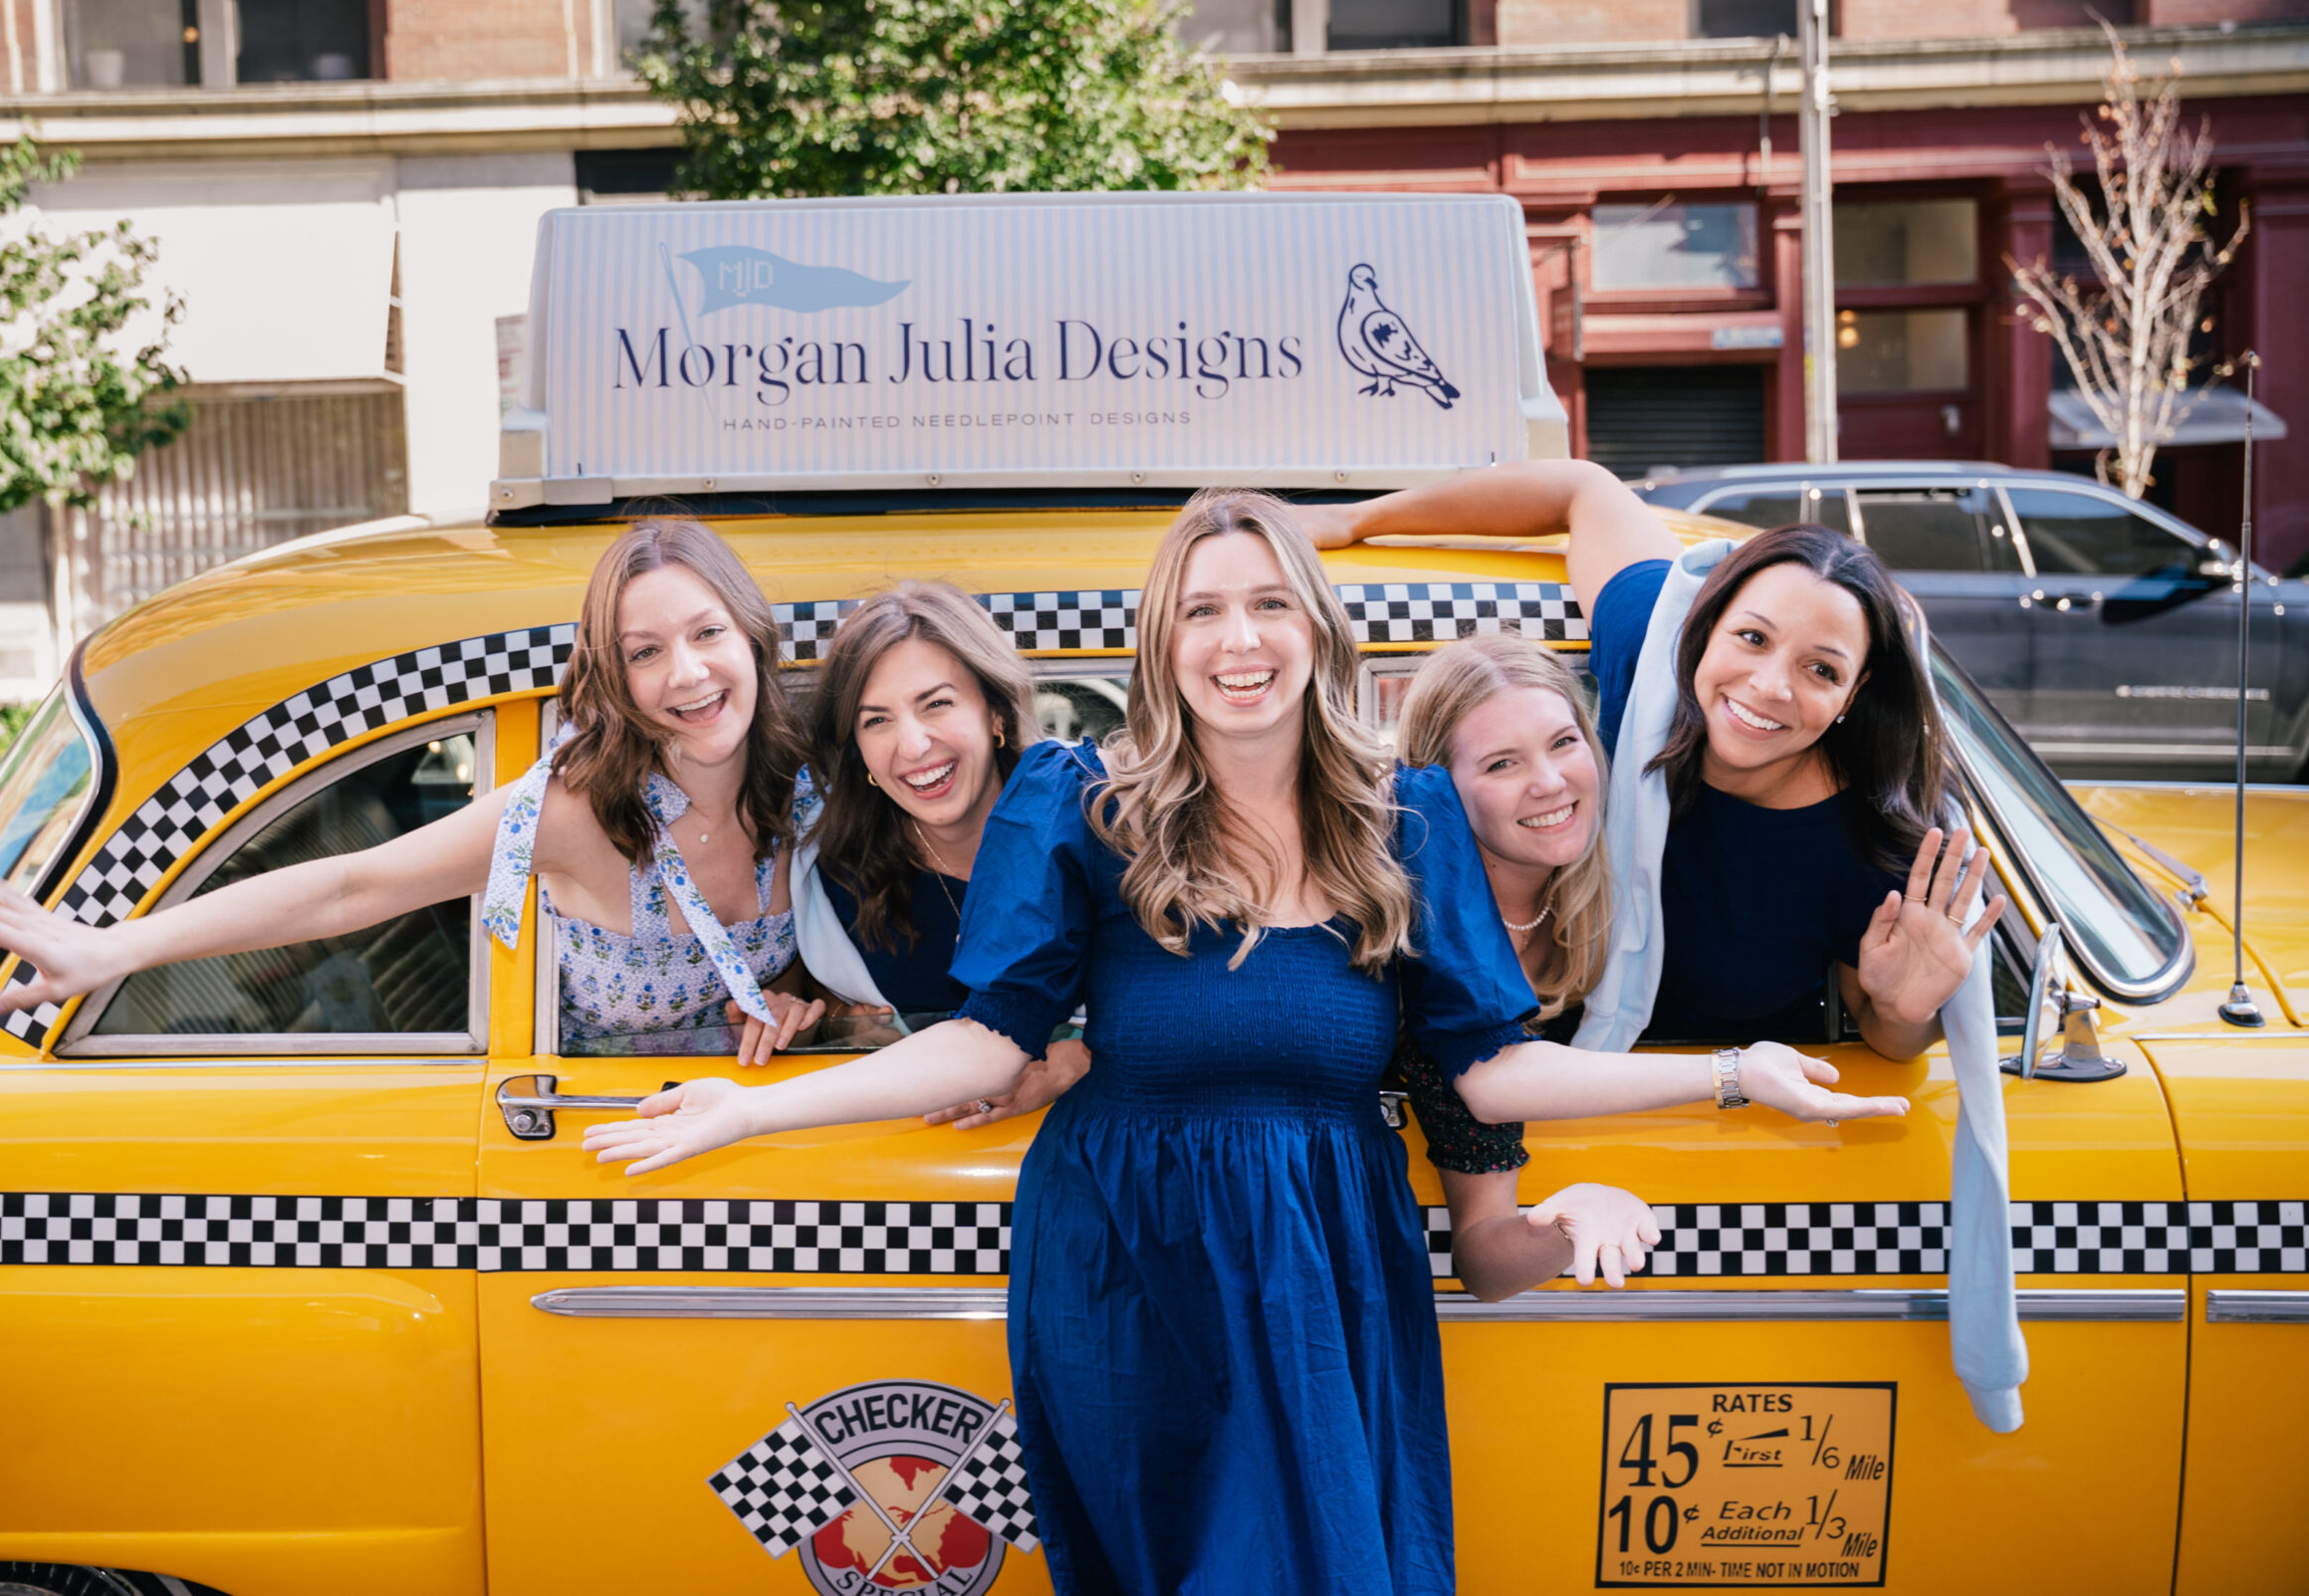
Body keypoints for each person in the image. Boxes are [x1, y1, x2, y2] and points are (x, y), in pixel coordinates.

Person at [585, 490, 1906, 1595]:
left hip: (1323, 1267)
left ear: (1315, 633)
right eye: (1204, 609)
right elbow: (991, 1042)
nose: (1239, 638)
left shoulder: (1413, 818)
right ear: (1164, 643)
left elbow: (1491, 1067)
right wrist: (749, 1110)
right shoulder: (1083, 805)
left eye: (1270, 602)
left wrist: (1735, 1071)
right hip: (1125, 1265)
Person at [0, 519, 830, 1059]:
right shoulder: (575, 810)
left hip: (756, 1138)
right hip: (593, 1173)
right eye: (645, 651)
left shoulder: (808, 793)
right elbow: (351, 886)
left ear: (750, 637)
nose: (687, 674)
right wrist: (112, 949)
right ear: (617, 676)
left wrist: (797, 1001)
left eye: (707, 632)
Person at [1297, 463, 2003, 1058]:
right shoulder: (1650, 663)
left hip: (1720, 1147)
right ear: (1705, 622)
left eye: (1821, 670)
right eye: (1753, 638)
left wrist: (1907, 1009)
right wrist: (1353, 521)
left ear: (1855, 693)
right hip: (1504, 1119)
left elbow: (1886, 1036)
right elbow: (1584, 489)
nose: (1769, 687)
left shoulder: (1871, 840)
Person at [1382, 635, 1658, 1296]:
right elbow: (1482, 1253)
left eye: (1564, 743)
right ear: (1442, 794)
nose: (1550, 781)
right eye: (1502, 763)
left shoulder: (1632, 903)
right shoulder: (1415, 948)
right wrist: (1567, 1222)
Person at [789, 579, 1091, 1111]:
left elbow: (1200, 998)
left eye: (937, 704)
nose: (913, 745)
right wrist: (835, 1031)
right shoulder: (831, 881)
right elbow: (824, 1016)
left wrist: (1085, 1056)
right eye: (876, 720)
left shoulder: (1091, 824)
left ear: (995, 712)